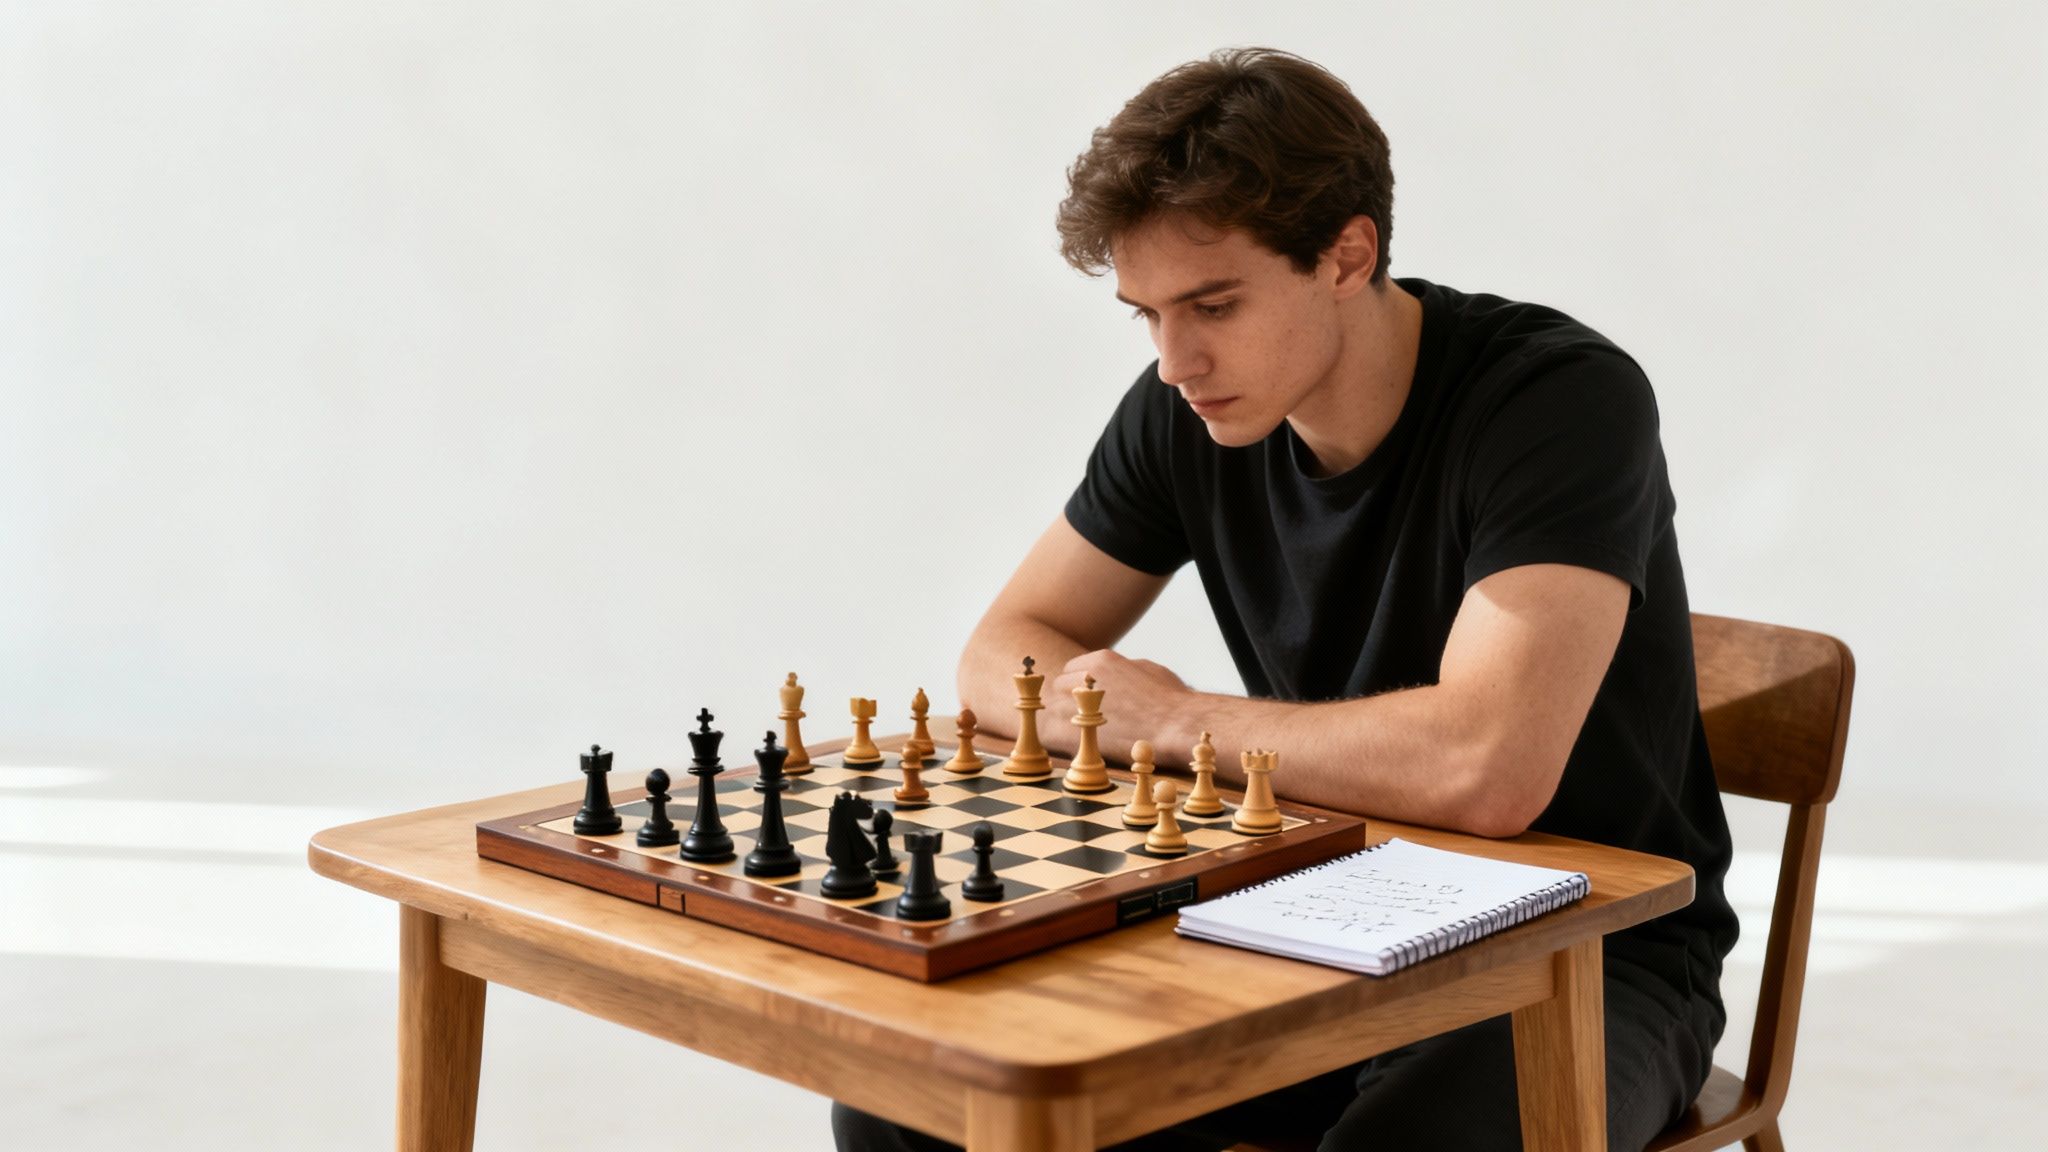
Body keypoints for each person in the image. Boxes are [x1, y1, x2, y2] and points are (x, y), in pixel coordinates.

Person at [834, 46, 1735, 1152]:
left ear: (1346, 253)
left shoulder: (1554, 400)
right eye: (1145, 315)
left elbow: (1485, 769)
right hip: (1309, 917)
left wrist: (1167, 723)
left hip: (1583, 949)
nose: (1174, 360)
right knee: (911, 1107)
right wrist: (1089, 708)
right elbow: (1000, 651)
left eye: (1212, 303)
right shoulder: (1190, 411)